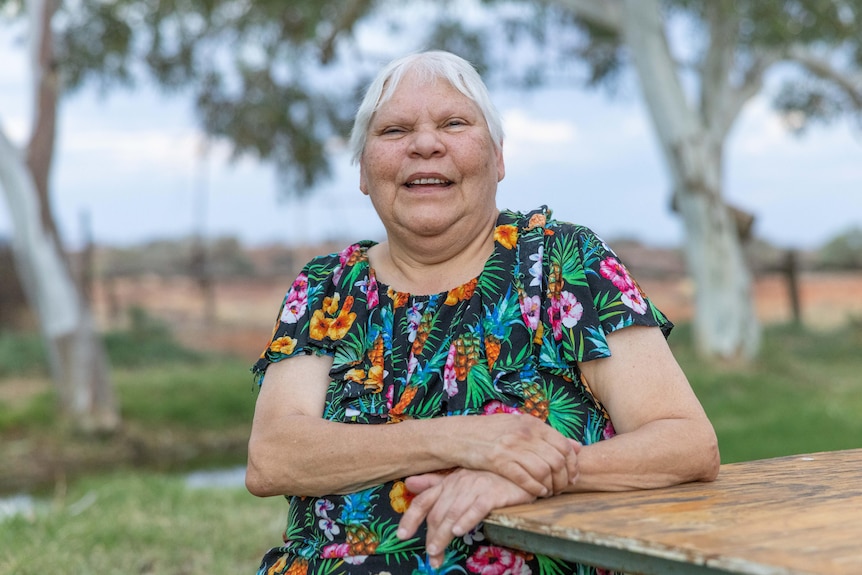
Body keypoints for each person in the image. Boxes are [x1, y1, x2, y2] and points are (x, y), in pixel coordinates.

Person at [245, 50, 719, 575]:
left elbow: (685, 442)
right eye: (395, 130)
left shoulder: (563, 264)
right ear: (363, 170)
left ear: (497, 158)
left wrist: (530, 473)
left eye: (454, 123)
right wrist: (463, 440)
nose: (425, 144)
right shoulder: (325, 289)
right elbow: (273, 457)